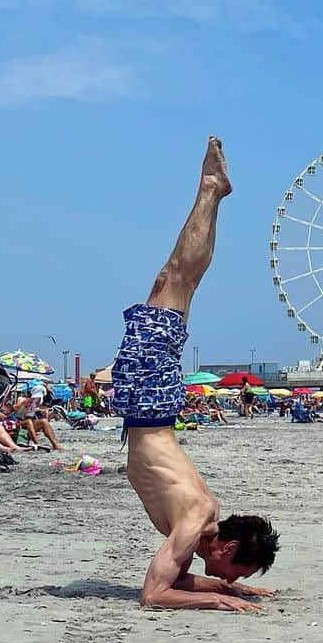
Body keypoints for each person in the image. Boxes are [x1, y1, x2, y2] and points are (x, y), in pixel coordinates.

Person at [112, 136, 279, 611]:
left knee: (173, 282)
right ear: (225, 548)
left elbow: (174, 583)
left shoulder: (203, 522)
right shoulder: (195, 521)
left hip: (149, 408)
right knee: (173, 280)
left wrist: (227, 587)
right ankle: (210, 189)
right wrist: (220, 601)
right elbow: (155, 594)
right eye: (235, 569)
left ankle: (211, 190)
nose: (229, 574)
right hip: (148, 409)